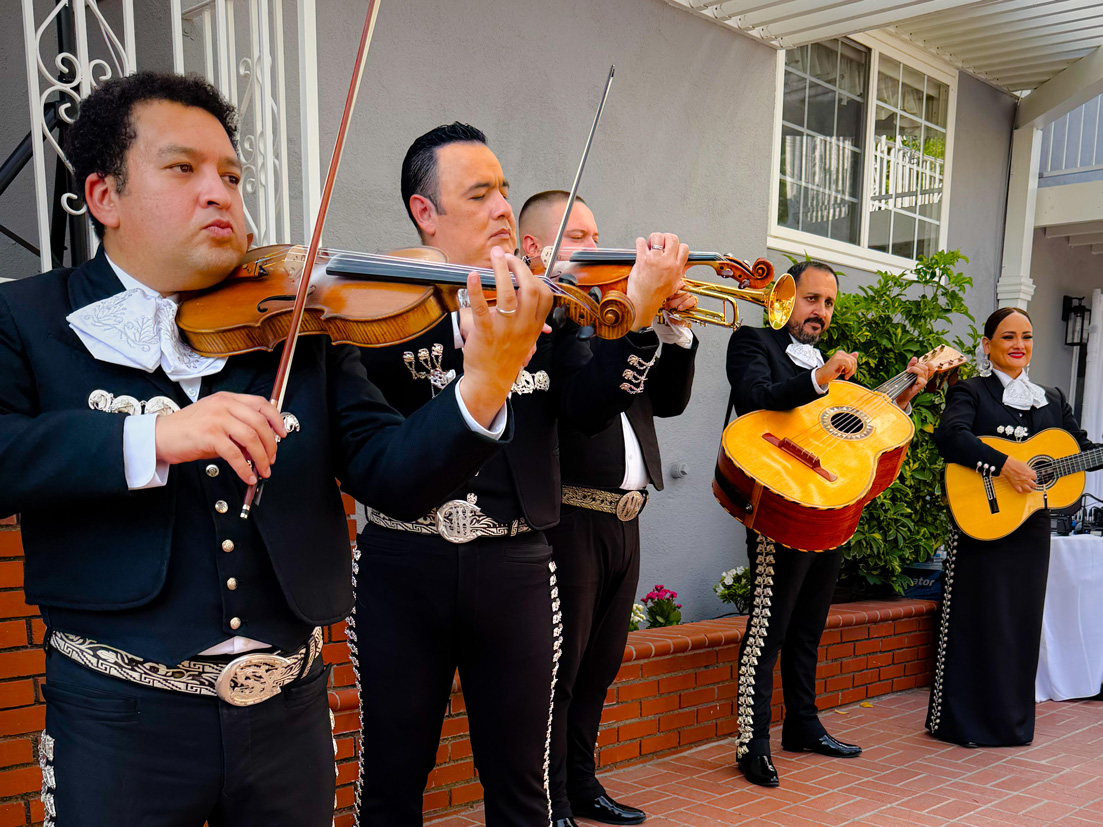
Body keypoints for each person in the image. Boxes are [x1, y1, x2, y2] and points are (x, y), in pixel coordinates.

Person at [0, 73, 550, 827]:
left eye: (230, 174)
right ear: (105, 196)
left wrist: (483, 384)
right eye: (182, 168)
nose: (218, 191)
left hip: (286, 717)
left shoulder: (298, 327)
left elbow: (392, 474)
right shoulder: (26, 316)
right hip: (116, 722)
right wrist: (152, 436)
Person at [351, 124, 688, 826]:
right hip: (401, 558)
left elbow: (590, 408)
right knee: (389, 782)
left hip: (516, 561)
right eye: (480, 193)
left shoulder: (547, 306)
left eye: (503, 189)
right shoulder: (371, 304)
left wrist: (640, 319)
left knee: (522, 786)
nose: (503, 206)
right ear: (425, 211)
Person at [519, 191, 697, 827]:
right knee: (562, 672)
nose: (598, 249)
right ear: (537, 249)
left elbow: (668, 401)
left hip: (626, 517)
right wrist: (637, 319)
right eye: (580, 237)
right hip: (570, 519)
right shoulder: (553, 321)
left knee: (601, 664)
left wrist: (672, 331)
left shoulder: (613, 312)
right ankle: (553, 800)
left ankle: (585, 785)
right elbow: (583, 401)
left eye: (597, 235)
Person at [724, 260, 930, 787]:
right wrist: (818, 378)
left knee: (811, 623)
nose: (821, 312)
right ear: (786, 297)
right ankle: (753, 741)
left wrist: (904, 393)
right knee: (769, 624)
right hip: (778, 502)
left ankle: (804, 725)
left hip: (829, 503)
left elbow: (855, 432)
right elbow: (755, 400)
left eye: (830, 303)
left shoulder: (827, 366)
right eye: (812, 299)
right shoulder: (754, 342)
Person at [928, 307, 1098, 747]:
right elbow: (950, 437)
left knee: (1019, 624)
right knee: (976, 620)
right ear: (987, 345)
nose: (1019, 344)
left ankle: (1010, 725)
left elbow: (1077, 451)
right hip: (980, 522)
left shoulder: (1052, 398)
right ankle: (962, 724)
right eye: (1008, 337)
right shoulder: (972, 391)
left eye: (1026, 335)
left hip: (1030, 529)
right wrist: (1004, 465)